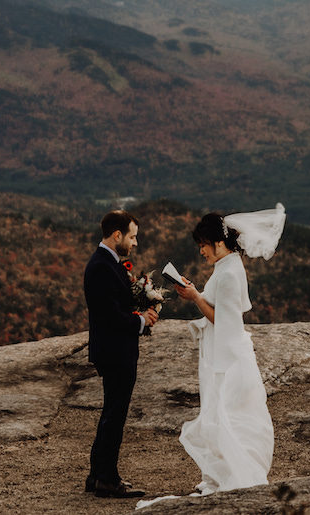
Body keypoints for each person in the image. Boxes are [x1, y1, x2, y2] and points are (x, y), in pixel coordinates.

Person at [173, 204, 285, 495]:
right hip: (222, 350)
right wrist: (197, 293)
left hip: (227, 357)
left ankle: (228, 475)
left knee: (226, 414)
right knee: (219, 414)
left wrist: (195, 296)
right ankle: (216, 475)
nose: (201, 251)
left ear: (218, 243)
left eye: (203, 245)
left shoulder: (230, 273)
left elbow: (226, 320)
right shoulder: (227, 266)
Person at [83, 210, 159, 499]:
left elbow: (118, 304)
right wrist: (140, 322)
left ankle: (97, 475)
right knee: (115, 415)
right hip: (115, 352)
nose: (134, 243)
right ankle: (107, 479)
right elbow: (109, 316)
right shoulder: (102, 266)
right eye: (132, 236)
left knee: (111, 413)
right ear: (117, 235)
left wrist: (142, 303)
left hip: (115, 350)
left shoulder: (109, 263)